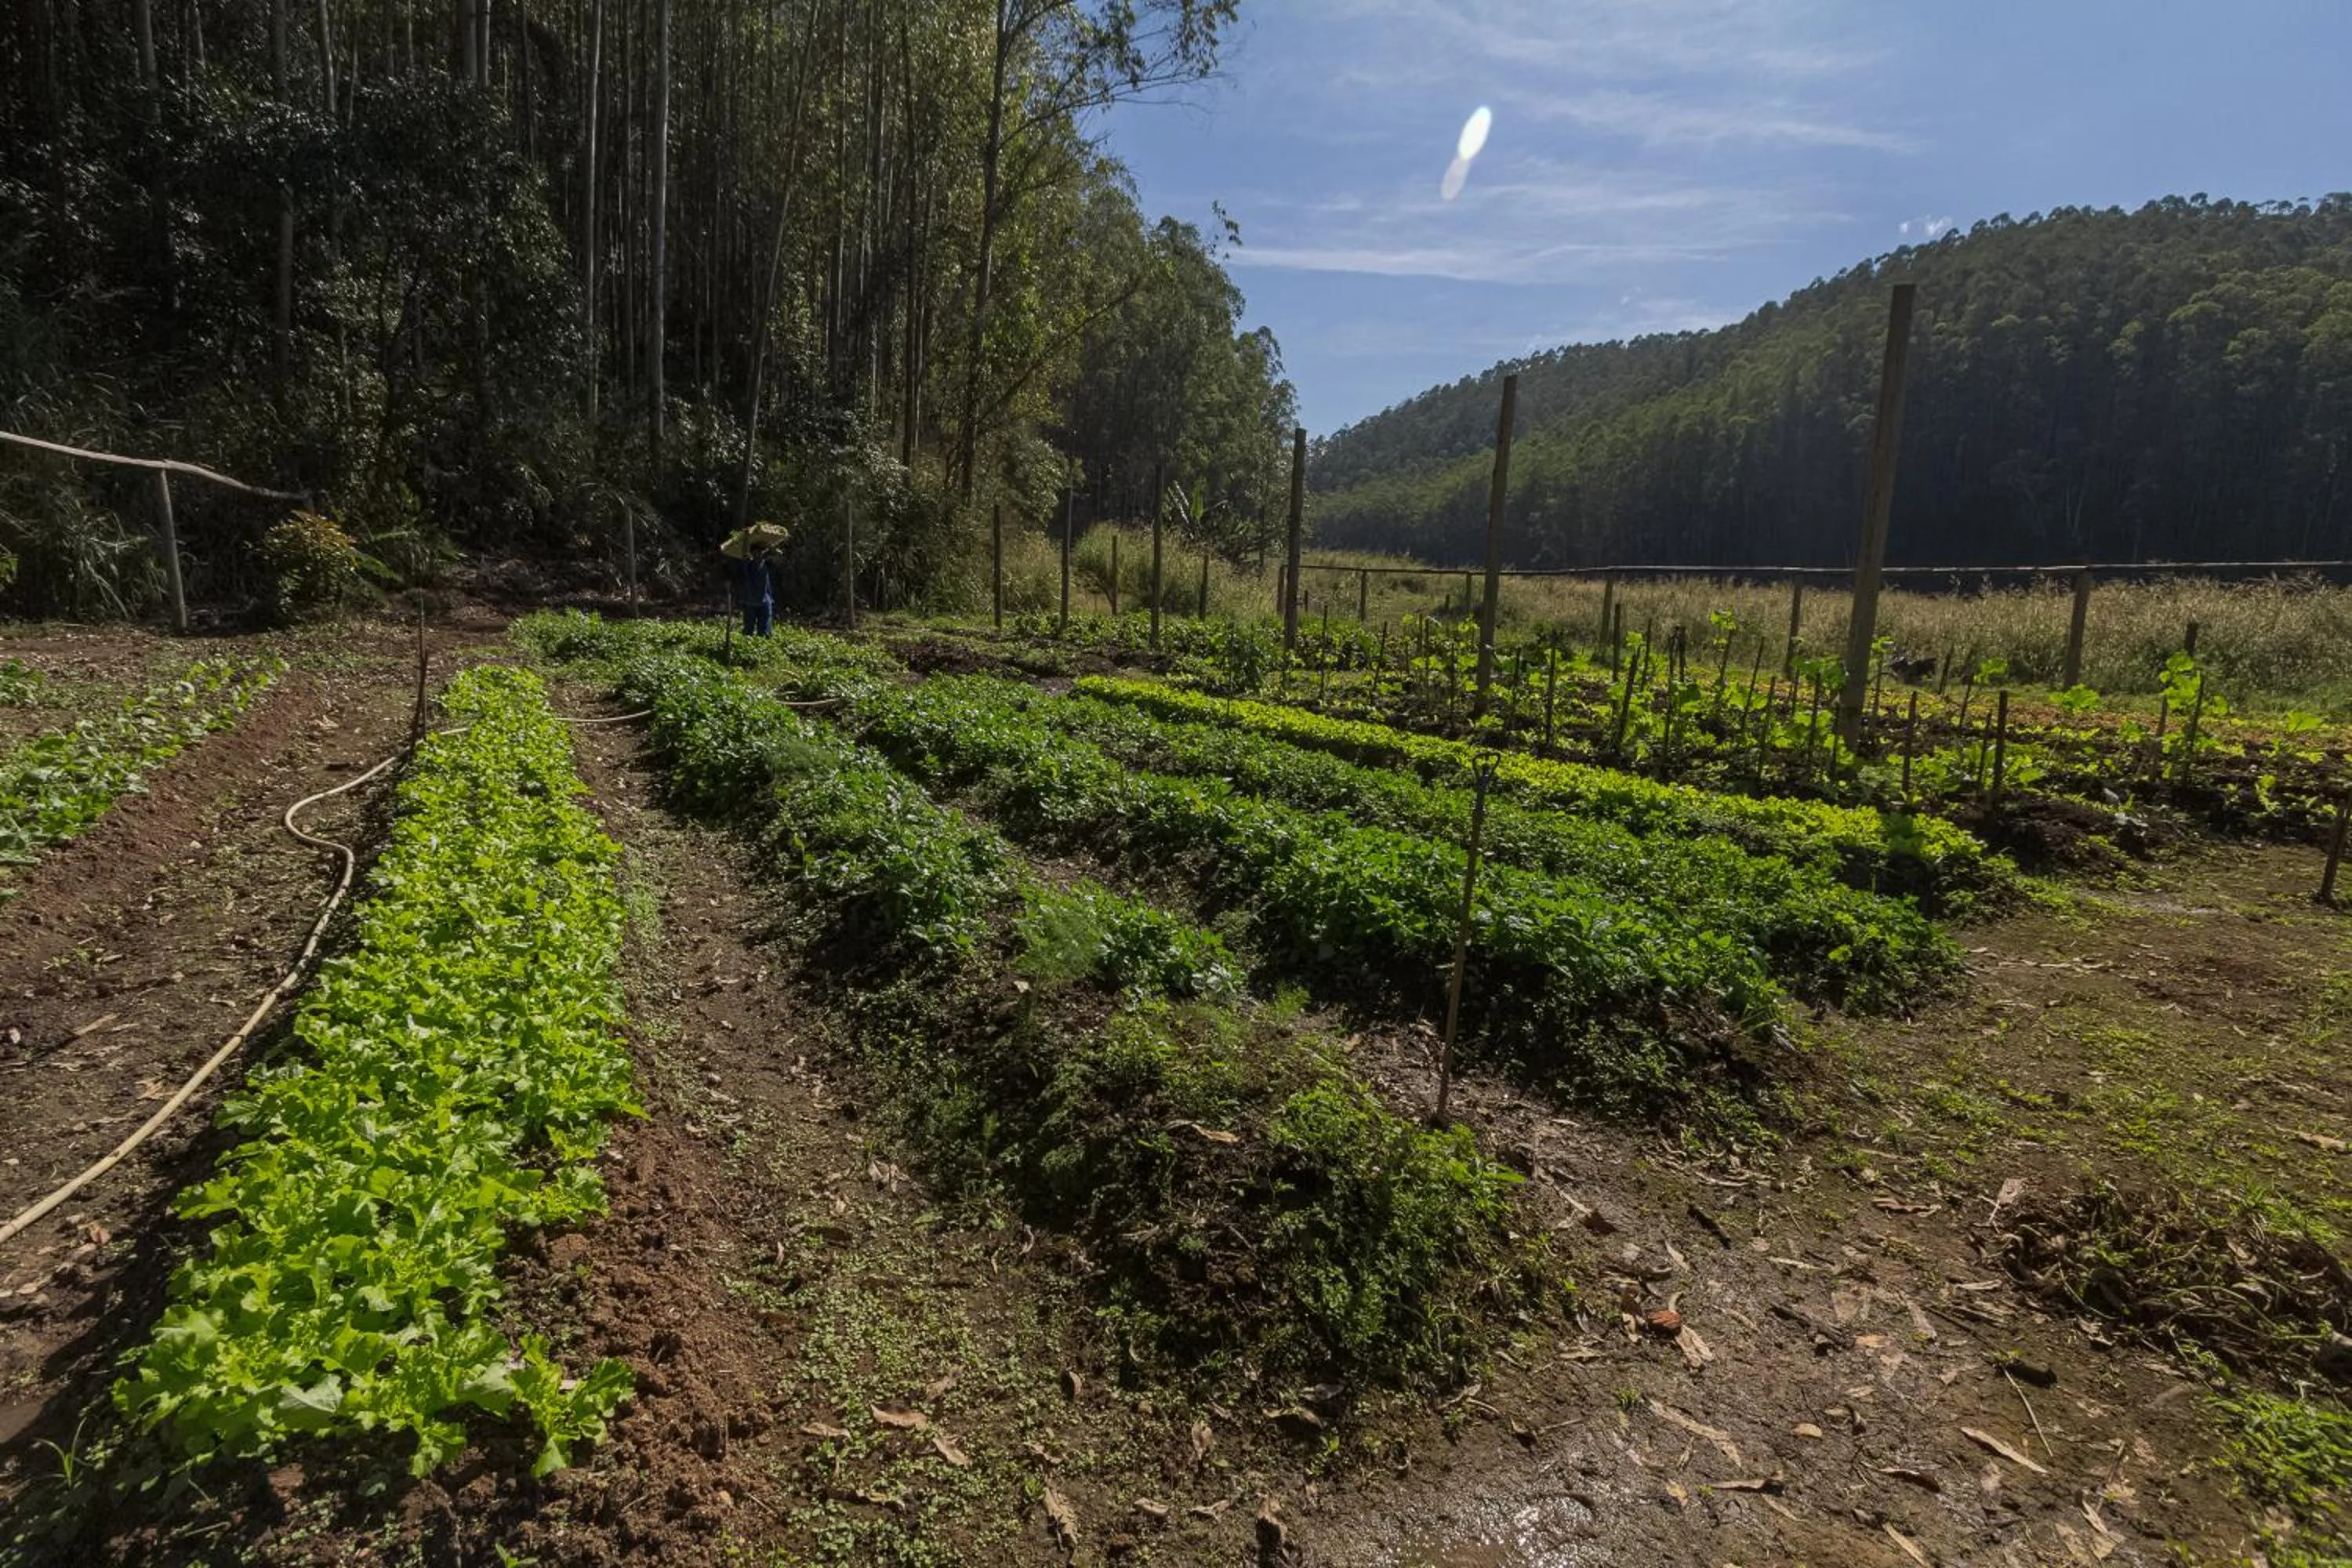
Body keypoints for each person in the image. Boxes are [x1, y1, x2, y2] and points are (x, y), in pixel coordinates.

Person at [728, 548, 774, 637]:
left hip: (765, 601)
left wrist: (773, 549)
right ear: (752, 554)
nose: (758, 555)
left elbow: (777, 557)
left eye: (760, 553)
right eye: (755, 553)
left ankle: (763, 647)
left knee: (765, 631)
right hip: (750, 601)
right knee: (748, 629)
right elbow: (742, 572)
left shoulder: (767, 564)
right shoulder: (748, 565)